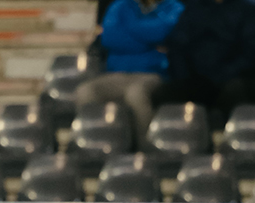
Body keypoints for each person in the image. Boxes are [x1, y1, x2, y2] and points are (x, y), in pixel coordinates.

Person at [76, 0, 185, 147]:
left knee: (136, 94)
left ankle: (146, 147)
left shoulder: (175, 8)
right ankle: (95, 146)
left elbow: (161, 32)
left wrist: (128, 26)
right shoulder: (119, 6)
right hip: (117, 74)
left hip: (153, 74)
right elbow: (110, 38)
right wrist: (149, 42)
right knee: (85, 91)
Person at [151, 0, 255, 129]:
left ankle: (236, 138)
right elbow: (178, 46)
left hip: (234, 77)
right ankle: (179, 139)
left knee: (236, 91)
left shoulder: (250, 8)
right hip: (197, 78)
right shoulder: (194, 7)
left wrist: (222, 76)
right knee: (166, 93)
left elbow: (254, 52)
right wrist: (185, 76)